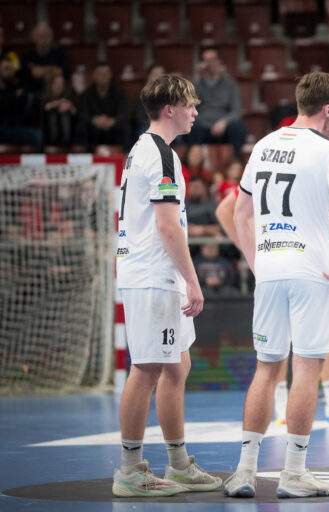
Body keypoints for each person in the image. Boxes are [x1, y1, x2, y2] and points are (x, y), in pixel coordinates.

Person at [224, 71, 329, 499]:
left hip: (271, 271)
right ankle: (295, 472)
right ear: (328, 109)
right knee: (306, 369)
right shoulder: (328, 151)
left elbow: (239, 212)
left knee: (267, 369)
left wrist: (257, 262)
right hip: (312, 272)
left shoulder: (264, 144)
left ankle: (245, 471)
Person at [113, 73, 221, 497]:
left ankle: (178, 465)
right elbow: (167, 226)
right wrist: (193, 281)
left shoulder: (148, 150)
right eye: (191, 104)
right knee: (146, 369)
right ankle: (129, 470)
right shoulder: (159, 154)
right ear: (171, 109)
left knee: (177, 366)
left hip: (157, 275)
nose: (196, 111)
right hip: (154, 276)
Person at [215, 188, 329, 422]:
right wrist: (249, 247)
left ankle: (312, 403)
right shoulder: (264, 174)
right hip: (293, 260)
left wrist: (252, 250)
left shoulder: (265, 173)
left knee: (297, 340)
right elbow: (225, 210)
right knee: (299, 339)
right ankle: (305, 403)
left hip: (282, 262)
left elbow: (228, 210)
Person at [189, 48, 247, 156]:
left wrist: (224, 122)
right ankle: (192, 162)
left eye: (212, 60)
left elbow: (236, 110)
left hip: (224, 122)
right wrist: (197, 75)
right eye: (207, 61)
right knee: (191, 127)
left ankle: (236, 161)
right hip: (202, 123)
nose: (210, 64)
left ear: (219, 62)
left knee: (238, 128)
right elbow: (189, 104)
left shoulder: (230, 85)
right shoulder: (196, 84)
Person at [76, 62, 130, 150]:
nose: (104, 76)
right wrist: (94, 120)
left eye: (106, 73)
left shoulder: (120, 93)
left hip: (113, 126)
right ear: (94, 76)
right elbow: (83, 113)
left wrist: (112, 121)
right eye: (100, 73)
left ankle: (122, 154)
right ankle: (87, 153)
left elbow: (124, 112)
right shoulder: (86, 94)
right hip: (94, 127)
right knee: (82, 126)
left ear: (111, 75)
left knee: (125, 126)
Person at [20, 22, 69, 94]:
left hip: (56, 92)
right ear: (33, 37)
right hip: (33, 91)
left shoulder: (60, 53)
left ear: (51, 37)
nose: (43, 39)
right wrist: (52, 69)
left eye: (45, 35)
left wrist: (40, 70)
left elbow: (61, 71)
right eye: (39, 36)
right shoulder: (27, 54)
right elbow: (32, 73)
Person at [41, 74, 78, 146]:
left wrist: (70, 107)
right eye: (56, 83)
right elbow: (45, 107)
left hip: (65, 132)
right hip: (47, 132)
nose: (59, 86)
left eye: (62, 84)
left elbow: (75, 113)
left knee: (65, 114)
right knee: (52, 114)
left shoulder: (69, 97)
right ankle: (52, 143)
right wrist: (59, 102)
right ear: (51, 85)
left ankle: (65, 143)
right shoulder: (45, 97)